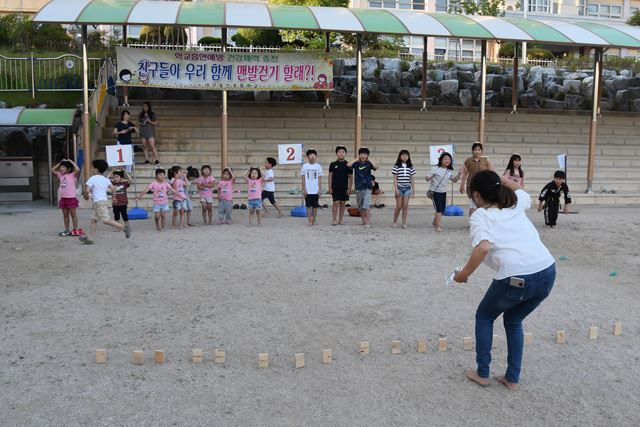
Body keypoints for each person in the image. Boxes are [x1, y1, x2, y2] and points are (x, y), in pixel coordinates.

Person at [453, 170, 556, 391]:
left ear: (477, 196)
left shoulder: (480, 216)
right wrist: (502, 178)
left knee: (485, 316)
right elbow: (519, 189)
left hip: (516, 276)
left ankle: (482, 373)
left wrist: (463, 275)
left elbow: (483, 247)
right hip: (547, 271)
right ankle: (512, 378)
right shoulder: (515, 204)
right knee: (513, 320)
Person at [79, 159, 130, 244]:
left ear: (96, 169)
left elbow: (87, 190)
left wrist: (85, 196)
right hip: (101, 202)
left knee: (106, 220)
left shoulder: (92, 178)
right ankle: (89, 239)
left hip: (99, 203)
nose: (91, 169)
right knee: (93, 220)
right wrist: (114, 197)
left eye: (92, 167)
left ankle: (123, 227)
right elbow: (113, 188)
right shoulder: (105, 179)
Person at [425, 152, 462, 232]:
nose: (447, 161)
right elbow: (426, 178)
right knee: (439, 209)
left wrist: (459, 174)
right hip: (435, 192)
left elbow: (454, 180)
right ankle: (438, 226)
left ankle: (435, 222)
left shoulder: (448, 171)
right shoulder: (435, 168)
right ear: (441, 160)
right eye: (445, 159)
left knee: (442, 208)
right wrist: (430, 177)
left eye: (449, 159)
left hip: (443, 192)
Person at [460, 142, 494, 217]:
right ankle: (472, 222)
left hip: (483, 186)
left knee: (483, 204)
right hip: (471, 186)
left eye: (479, 150)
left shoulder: (486, 160)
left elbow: (492, 171)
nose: (477, 151)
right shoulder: (468, 160)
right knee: (473, 205)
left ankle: (481, 221)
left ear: (481, 151)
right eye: (475, 150)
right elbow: (465, 174)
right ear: (472, 151)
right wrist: (462, 185)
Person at [51, 158, 83, 236]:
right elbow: (52, 169)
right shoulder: (60, 175)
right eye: (61, 167)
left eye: (64, 167)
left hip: (71, 198)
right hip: (63, 198)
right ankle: (66, 230)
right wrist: (61, 162)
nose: (61, 168)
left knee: (73, 215)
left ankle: (75, 230)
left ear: (68, 169)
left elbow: (78, 169)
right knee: (65, 215)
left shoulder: (72, 175)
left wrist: (70, 161)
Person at [347, 148, 378, 227]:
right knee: (360, 206)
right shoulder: (356, 163)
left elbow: (375, 166)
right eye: (361, 154)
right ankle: (363, 220)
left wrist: (369, 160)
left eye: (365, 154)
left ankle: (368, 222)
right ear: (359, 155)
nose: (363, 156)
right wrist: (356, 159)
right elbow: (348, 165)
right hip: (358, 187)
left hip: (367, 187)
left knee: (366, 205)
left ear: (367, 155)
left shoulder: (368, 163)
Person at [328, 145, 353, 226]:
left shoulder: (348, 165)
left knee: (342, 203)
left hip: (344, 188)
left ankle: (340, 220)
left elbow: (350, 177)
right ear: (336, 153)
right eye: (339, 152)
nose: (341, 153)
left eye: (343, 152)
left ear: (345, 153)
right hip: (335, 187)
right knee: (335, 203)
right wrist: (329, 187)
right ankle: (334, 219)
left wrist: (349, 188)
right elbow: (330, 176)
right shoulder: (333, 164)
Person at [392, 149, 416, 229]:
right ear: (399, 156)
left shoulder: (410, 167)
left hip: (407, 188)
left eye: (406, 155)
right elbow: (395, 178)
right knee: (399, 206)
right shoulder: (396, 166)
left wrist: (413, 189)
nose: (405, 157)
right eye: (403, 155)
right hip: (399, 188)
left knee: (405, 206)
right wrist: (396, 189)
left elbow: (412, 179)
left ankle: (404, 223)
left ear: (408, 157)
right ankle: (395, 221)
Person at [301, 149, 324, 226]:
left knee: (315, 206)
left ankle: (314, 219)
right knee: (308, 206)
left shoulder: (318, 166)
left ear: (316, 156)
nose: (312, 156)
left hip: (315, 190)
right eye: (310, 155)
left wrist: (319, 189)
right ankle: (310, 220)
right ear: (308, 157)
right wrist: (304, 189)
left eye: (314, 155)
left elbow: (320, 179)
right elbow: (303, 179)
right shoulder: (304, 166)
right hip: (308, 190)